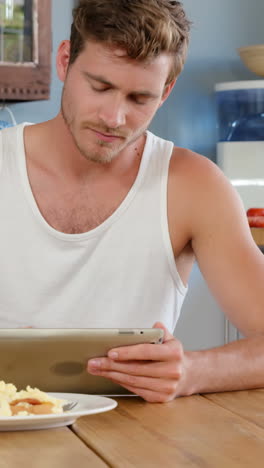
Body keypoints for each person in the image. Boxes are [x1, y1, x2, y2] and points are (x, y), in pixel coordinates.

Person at [0, 0, 264, 403]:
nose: (114, 117)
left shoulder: (193, 186)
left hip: (136, 442)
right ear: (65, 60)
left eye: (139, 98)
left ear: (166, 92)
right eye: (100, 87)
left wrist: (194, 371)